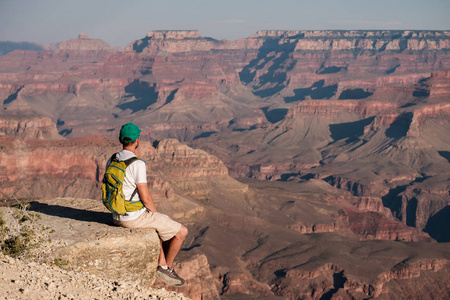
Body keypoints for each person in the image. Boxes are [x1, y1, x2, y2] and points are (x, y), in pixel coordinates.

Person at [106, 123, 188, 287]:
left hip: (116, 214)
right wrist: (156, 215)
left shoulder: (113, 158)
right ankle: (167, 268)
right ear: (137, 140)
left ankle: (161, 262)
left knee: (158, 223)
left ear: (121, 140)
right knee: (182, 232)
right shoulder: (137, 164)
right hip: (132, 217)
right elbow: (146, 198)